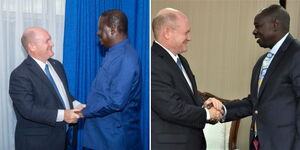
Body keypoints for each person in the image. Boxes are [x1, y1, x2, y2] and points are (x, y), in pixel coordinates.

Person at [220, 4, 300, 150]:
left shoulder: (297, 53)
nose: (254, 32)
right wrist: (222, 110)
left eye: (258, 26)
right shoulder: (262, 62)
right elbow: (255, 104)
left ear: (275, 25)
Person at [151, 8, 223, 150]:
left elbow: (187, 100)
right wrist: (208, 114)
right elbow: (171, 109)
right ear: (167, 33)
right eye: (186, 32)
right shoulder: (152, 62)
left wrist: (205, 105)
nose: (189, 38)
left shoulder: (181, 61)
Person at [9, 27, 85, 150]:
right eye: (47, 41)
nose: (52, 43)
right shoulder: (20, 74)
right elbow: (28, 110)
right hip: (38, 143)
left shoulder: (57, 65)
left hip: (63, 138)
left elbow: (63, 94)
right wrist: (64, 115)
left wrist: (77, 105)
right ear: (32, 47)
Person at [81, 10, 142, 150]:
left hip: (111, 141)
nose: (97, 33)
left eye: (101, 28)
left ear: (113, 29)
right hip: (100, 137)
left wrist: (85, 112)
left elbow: (116, 101)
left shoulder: (125, 57)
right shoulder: (114, 53)